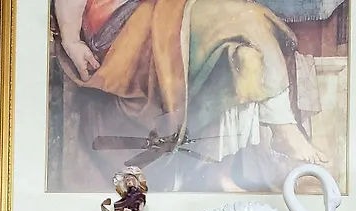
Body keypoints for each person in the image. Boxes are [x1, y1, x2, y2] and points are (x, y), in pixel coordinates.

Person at [52, 0, 328, 192]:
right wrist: (71, 40)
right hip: (123, 24)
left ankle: (218, 171)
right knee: (244, 17)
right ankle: (284, 128)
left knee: (240, 55)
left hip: (168, 12)